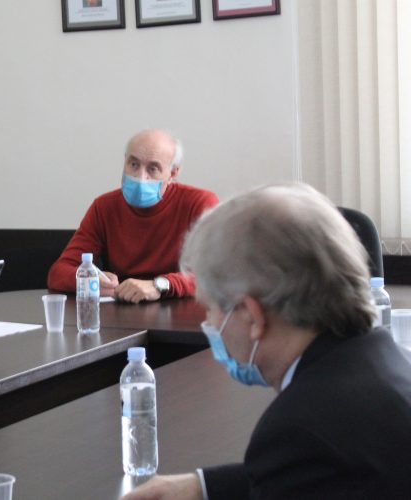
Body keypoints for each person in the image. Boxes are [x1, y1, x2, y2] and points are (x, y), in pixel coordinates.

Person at [122, 183, 411, 500]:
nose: (210, 324)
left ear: (251, 315)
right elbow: (315, 475)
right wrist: (202, 487)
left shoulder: (299, 427)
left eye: (211, 308)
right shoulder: (387, 359)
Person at [47, 129, 218, 303]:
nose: (140, 177)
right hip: (124, 308)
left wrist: (160, 285)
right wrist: (89, 279)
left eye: (153, 168)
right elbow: (58, 273)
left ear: (172, 173)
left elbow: (215, 274)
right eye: (134, 164)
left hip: (181, 310)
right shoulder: (104, 207)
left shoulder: (199, 203)